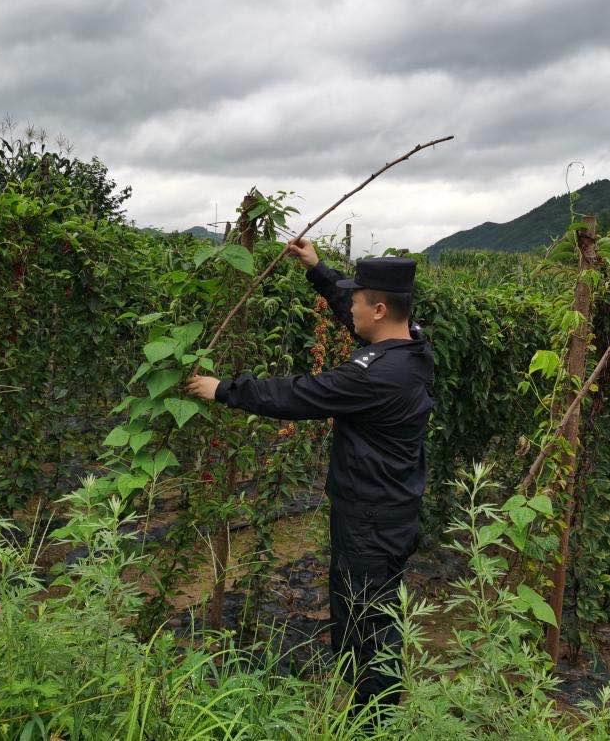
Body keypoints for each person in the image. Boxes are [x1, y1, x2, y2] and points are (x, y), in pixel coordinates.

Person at [186, 238, 434, 712]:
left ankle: (374, 718)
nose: (352, 310)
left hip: (370, 520)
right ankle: (367, 700)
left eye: (361, 303)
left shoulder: (375, 376)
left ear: (380, 309)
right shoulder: (411, 345)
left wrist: (224, 390)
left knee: (367, 619)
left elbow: (300, 395)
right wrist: (319, 270)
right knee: (368, 607)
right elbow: (349, 304)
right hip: (386, 509)